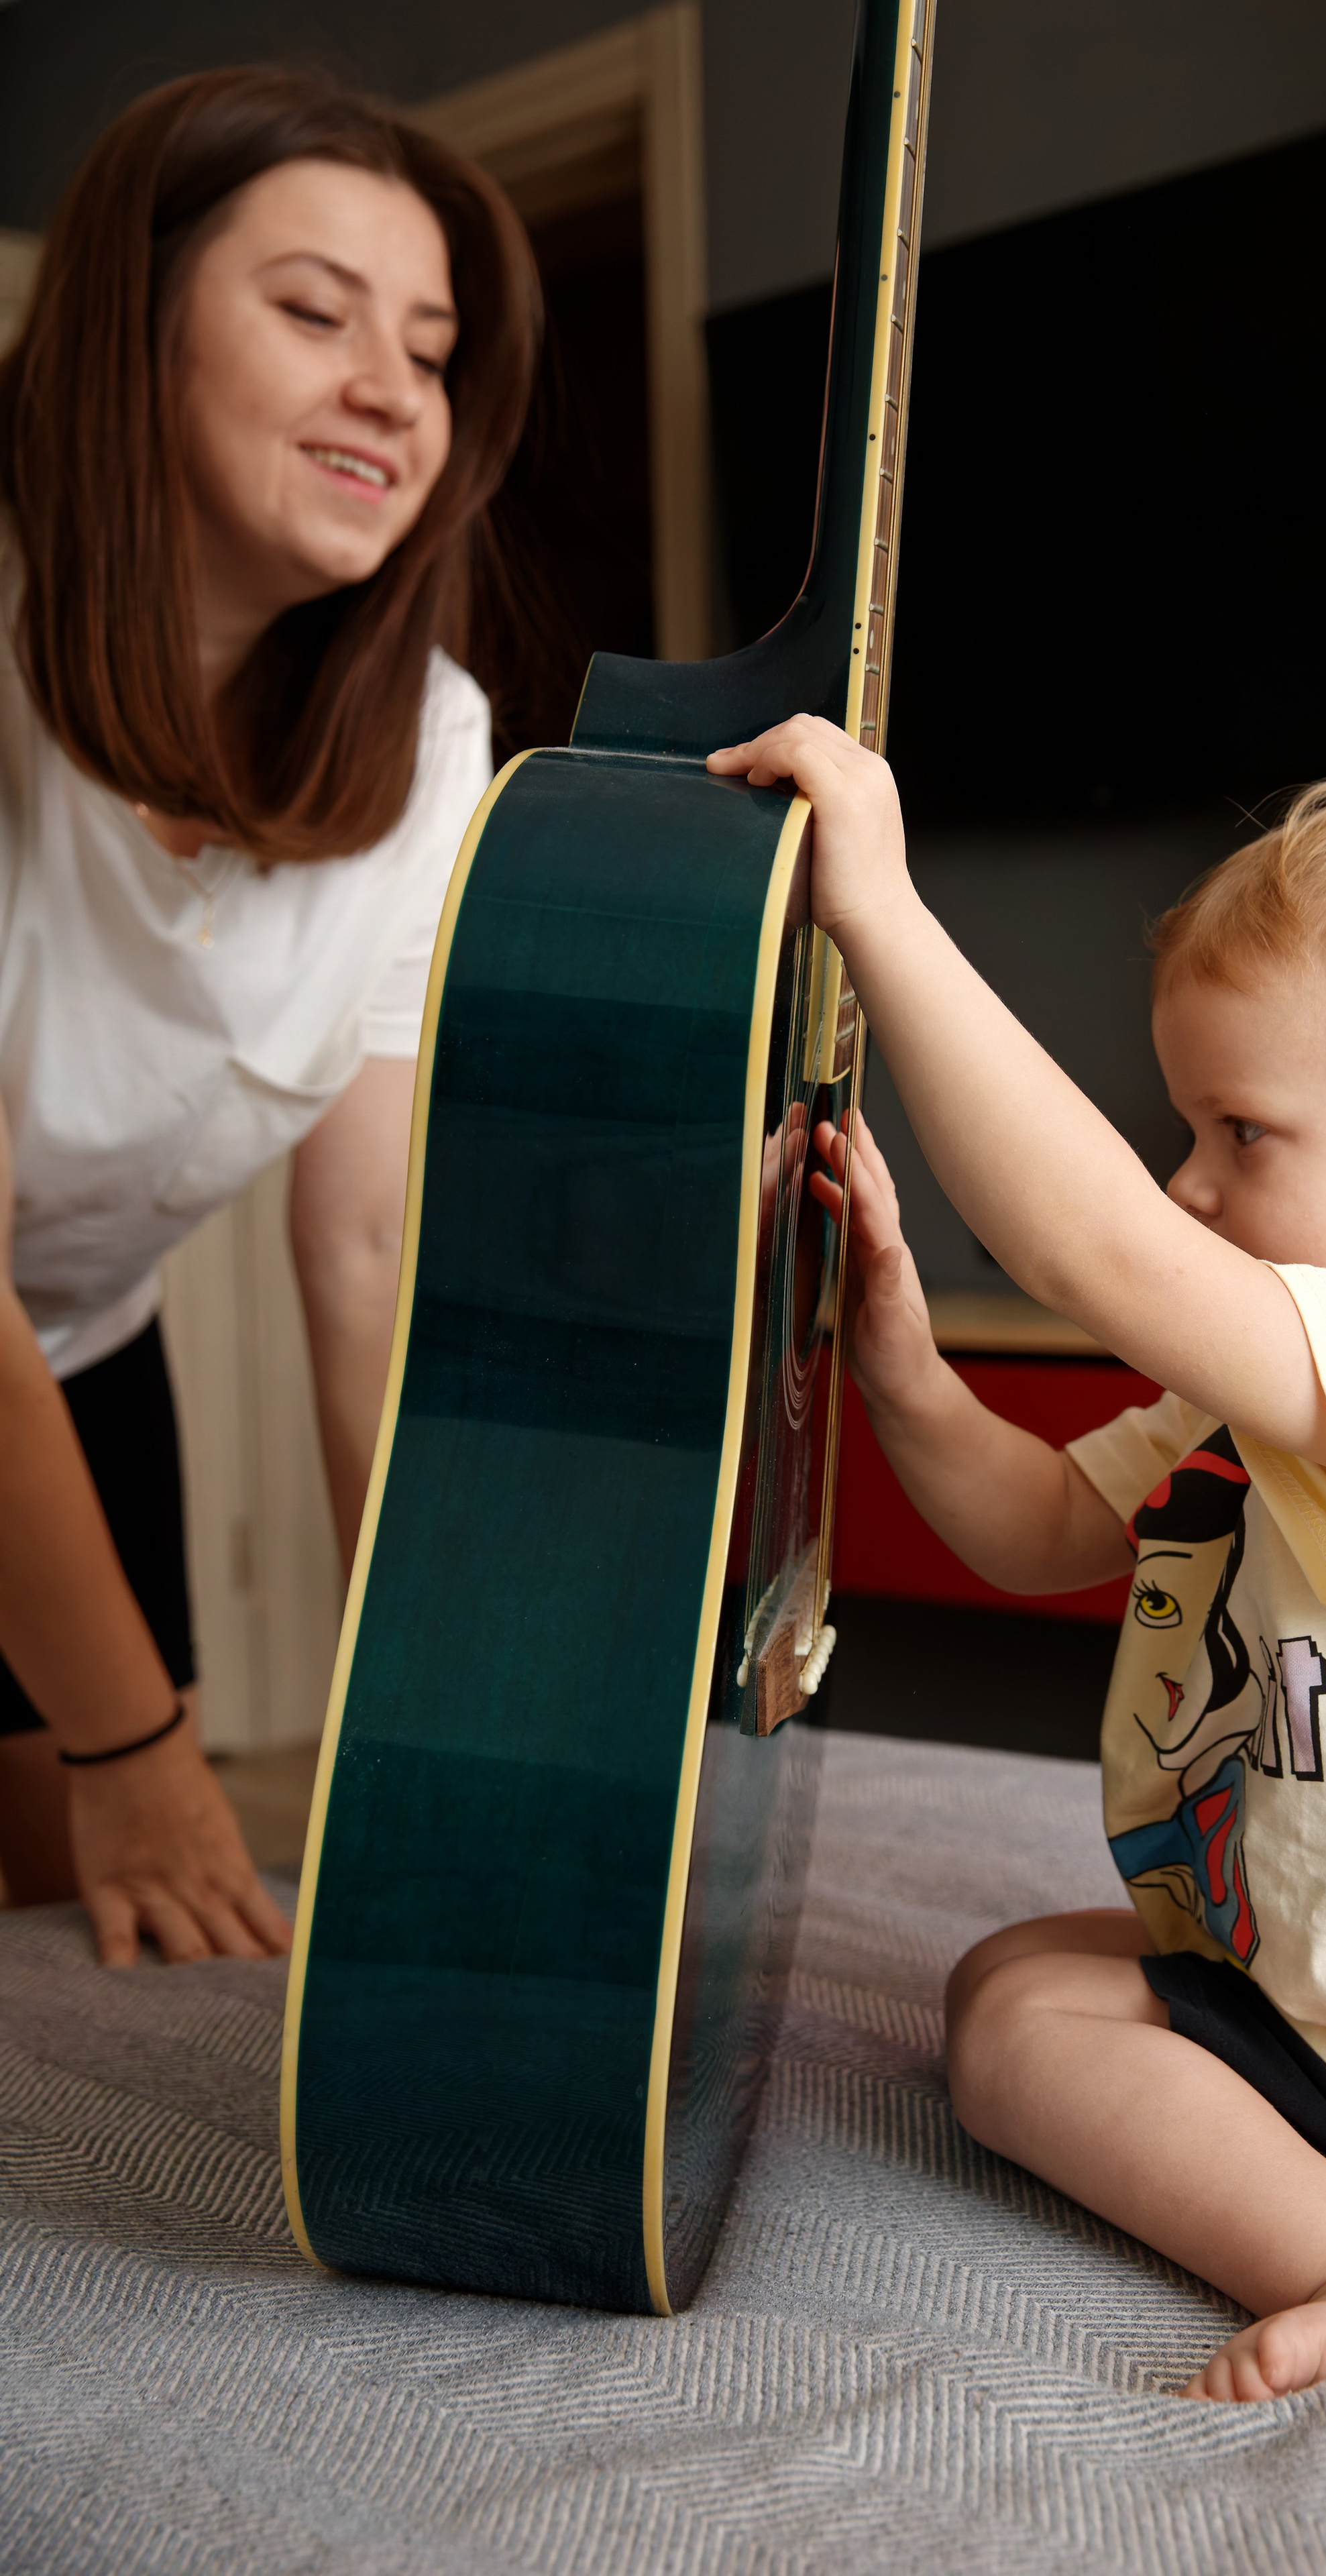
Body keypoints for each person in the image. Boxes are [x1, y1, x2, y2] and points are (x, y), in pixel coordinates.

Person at [706, 715, 1326, 2404]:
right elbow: (1031, 1528)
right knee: (1013, 1975)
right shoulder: (1301, 1389)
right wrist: (898, 1352)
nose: (1187, 1184)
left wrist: (876, 903)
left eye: (1241, 1133)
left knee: (1019, 2044)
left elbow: (1086, 1241)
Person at [0, 70, 538, 1964]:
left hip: (71, 1363)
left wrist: (433, 1727)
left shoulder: (438, 738)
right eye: (315, 312)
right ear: (129, 338)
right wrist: (139, 1734)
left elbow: (369, 1251)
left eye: (432, 345)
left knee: (79, 1949)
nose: (392, 386)